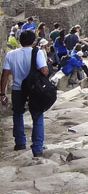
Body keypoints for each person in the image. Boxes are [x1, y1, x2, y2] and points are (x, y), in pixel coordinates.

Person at [0, 29, 48, 157]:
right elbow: (44, 70)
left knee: (17, 114)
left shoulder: (11, 54)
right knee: (37, 115)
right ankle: (37, 147)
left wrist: (2, 93)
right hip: (33, 89)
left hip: (17, 88)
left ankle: (20, 142)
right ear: (33, 41)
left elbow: (4, 74)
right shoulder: (36, 52)